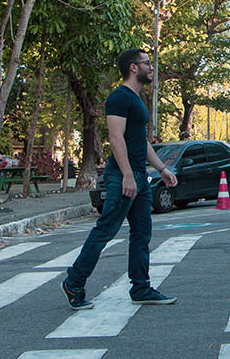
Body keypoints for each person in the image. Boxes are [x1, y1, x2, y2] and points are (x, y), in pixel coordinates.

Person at [61, 49, 178, 310]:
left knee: (141, 233)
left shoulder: (137, 99)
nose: (151, 67)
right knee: (106, 230)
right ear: (133, 68)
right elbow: (116, 138)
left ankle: (141, 287)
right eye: (147, 63)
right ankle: (74, 281)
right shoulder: (119, 97)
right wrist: (127, 175)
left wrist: (161, 169)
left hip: (139, 175)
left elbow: (140, 141)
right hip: (122, 175)